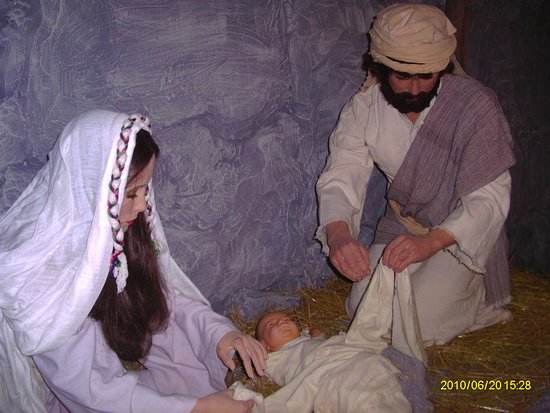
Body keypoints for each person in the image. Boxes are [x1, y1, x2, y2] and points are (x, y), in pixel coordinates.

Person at [0, 109, 267, 413]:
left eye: (145, 189)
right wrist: (196, 409)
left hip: (98, 385)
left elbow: (161, 304)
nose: (142, 205)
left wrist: (219, 334)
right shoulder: (40, 279)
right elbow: (90, 390)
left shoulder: (118, 233)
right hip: (65, 397)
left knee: (187, 370)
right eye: (130, 194)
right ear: (93, 191)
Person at [315, 3, 516, 345]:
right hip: (404, 224)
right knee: (363, 309)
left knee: (419, 326)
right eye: (401, 76)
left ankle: (478, 301)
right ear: (381, 67)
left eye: (426, 76)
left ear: (442, 67)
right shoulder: (364, 108)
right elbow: (342, 174)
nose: (413, 89)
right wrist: (339, 236)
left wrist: (430, 243)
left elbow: (489, 198)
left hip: (458, 233)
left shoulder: (476, 107)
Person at [247, 263, 422, 413]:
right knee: (351, 396)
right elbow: (254, 364)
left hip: (352, 359)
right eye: (271, 325)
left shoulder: (307, 339)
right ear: (265, 346)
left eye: (286, 319)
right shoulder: (273, 359)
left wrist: (316, 333)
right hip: (325, 377)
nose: (282, 322)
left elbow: (318, 341)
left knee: (379, 382)